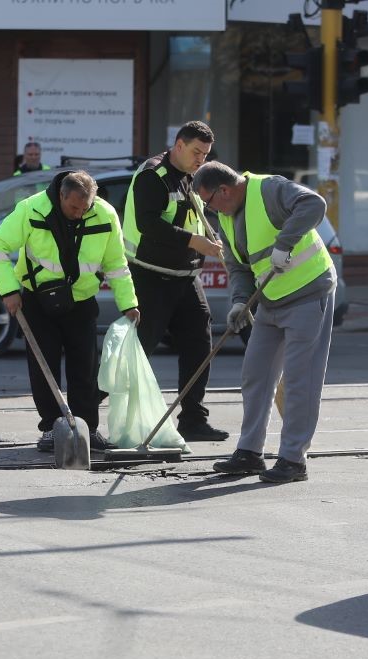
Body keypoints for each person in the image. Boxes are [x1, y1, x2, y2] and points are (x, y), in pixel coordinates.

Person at [194, 161, 337, 484]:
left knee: (301, 381)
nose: (209, 210)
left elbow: (314, 204)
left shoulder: (269, 189)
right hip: (269, 300)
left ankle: (292, 459)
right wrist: (240, 302)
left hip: (307, 291)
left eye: (209, 202)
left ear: (225, 190)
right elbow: (238, 267)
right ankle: (249, 452)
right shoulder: (227, 218)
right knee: (255, 374)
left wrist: (285, 243)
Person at [0, 170, 139, 452]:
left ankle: (87, 429)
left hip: (81, 302)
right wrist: (8, 291)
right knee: (45, 368)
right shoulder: (31, 209)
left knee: (85, 368)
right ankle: (51, 428)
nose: (80, 214)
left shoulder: (104, 215)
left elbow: (117, 263)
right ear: (61, 196)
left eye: (85, 208)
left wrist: (128, 303)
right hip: (39, 301)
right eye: (74, 208)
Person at [123, 120, 229, 443]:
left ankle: (193, 419)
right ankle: (91, 414)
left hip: (185, 277)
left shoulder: (189, 177)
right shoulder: (151, 175)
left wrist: (209, 243)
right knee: (139, 350)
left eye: (206, 154)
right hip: (150, 276)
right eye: (197, 152)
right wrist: (195, 243)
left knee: (200, 341)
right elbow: (148, 224)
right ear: (179, 145)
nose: (201, 160)